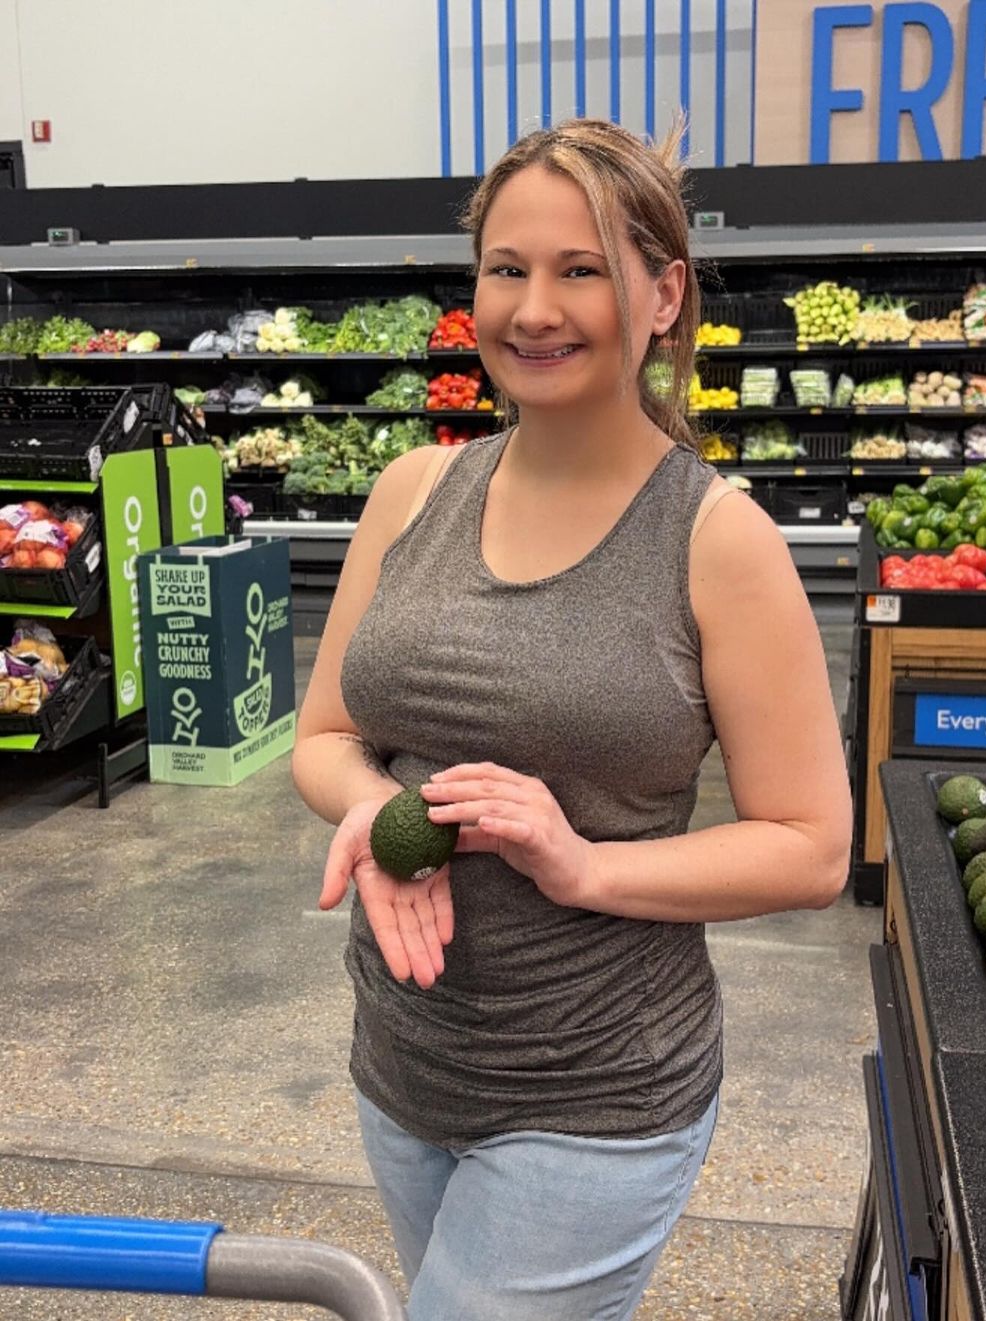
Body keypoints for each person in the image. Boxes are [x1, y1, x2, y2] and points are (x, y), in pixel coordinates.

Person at [291, 116, 852, 1321]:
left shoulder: (719, 540)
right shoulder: (412, 492)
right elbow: (325, 736)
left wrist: (583, 864)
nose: (534, 309)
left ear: (664, 295)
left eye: (580, 269)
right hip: (403, 1067)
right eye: (507, 268)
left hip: (597, 1093)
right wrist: (379, 811)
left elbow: (812, 846)